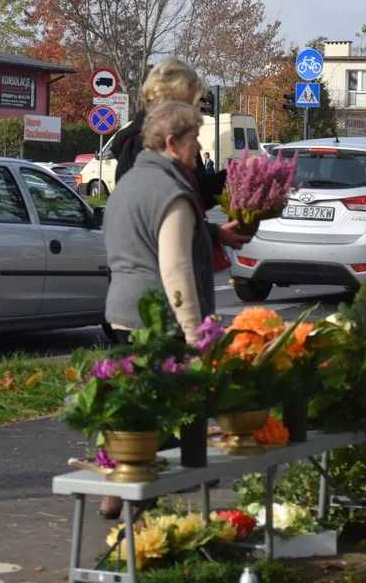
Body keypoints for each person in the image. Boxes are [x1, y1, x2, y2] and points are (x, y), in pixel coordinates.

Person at [100, 102, 219, 518]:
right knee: (174, 412)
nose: (199, 146)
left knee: (135, 400)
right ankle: (139, 494)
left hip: (120, 310)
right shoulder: (173, 193)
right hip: (158, 317)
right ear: (171, 142)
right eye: (193, 138)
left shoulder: (129, 184)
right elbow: (176, 268)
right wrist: (194, 331)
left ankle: (119, 477)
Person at [111, 57, 247, 252]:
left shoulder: (182, 139)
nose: (193, 109)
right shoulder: (138, 145)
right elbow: (157, 221)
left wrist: (235, 176)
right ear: (168, 100)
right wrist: (215, 234)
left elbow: (197, 193)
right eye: (188, 102)